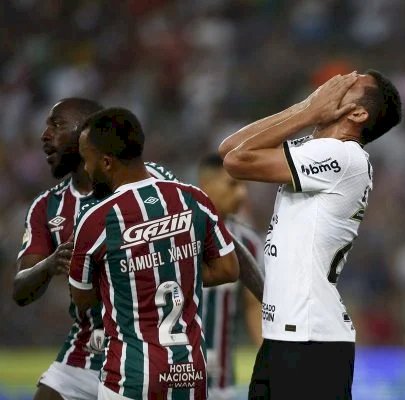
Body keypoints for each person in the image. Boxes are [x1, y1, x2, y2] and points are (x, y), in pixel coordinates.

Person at [219, 71, 402, 399]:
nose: (334, 81)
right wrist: (305, 108)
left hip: (311, 340)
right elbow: (230, 148)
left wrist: (307, 112)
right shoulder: (317, 149)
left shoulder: (343, 156)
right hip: (285, 336)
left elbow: (237, 161)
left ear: (358, 114)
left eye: (349, 84)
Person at [68, 107, 239, 400]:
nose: (85, 169)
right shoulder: (193, 199)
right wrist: (175, 268)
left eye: (87, 160)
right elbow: (228, 269)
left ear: (106, 162)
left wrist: (135, 278)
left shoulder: (97, 220)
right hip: (190, 374)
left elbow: (82, 298)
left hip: (129, 377)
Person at [12, 98, 176, 400]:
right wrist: (50, 264)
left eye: (57, 124)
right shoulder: (48, 207)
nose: (44, 135)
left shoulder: (153, 180)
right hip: (87, 350)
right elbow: (20, 290)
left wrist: (265, 301)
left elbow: (213, 235)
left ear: (88, 131)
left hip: (148, 346)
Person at [198, 154, 263, 399]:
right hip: (175, 377)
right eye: (232, 184)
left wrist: (269, 359)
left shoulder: (249, 245)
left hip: (222, 383)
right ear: (205, 184)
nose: (242, 194)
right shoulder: (177, 234)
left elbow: (254, 306)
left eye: (244, 185)